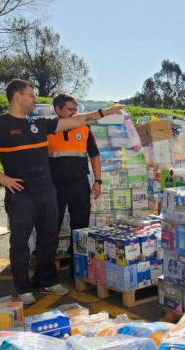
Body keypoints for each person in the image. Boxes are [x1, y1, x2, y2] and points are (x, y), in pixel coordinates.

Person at [0, 79, 123, 305]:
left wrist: (106, 112)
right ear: (17, 96)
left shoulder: (38, 124)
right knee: (19, 243)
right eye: (31, 95)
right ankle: (23, 289)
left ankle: (48, 282)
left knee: (49, 239)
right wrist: (1, 177)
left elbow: (76, 121)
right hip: (21, 195)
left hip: (47, 191)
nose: (35, 100)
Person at [47, 93, 102, 265]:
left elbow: (94, 156)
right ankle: (46, 270)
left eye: (76, 110)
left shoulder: (84, 129)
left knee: (80, 228)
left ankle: (77, 267)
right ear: (58, 109)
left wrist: (98, 181)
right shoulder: (47, 129)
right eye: (70, 110)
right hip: (54, 186)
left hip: (79, 184)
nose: (75, 113)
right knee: (50, 227)